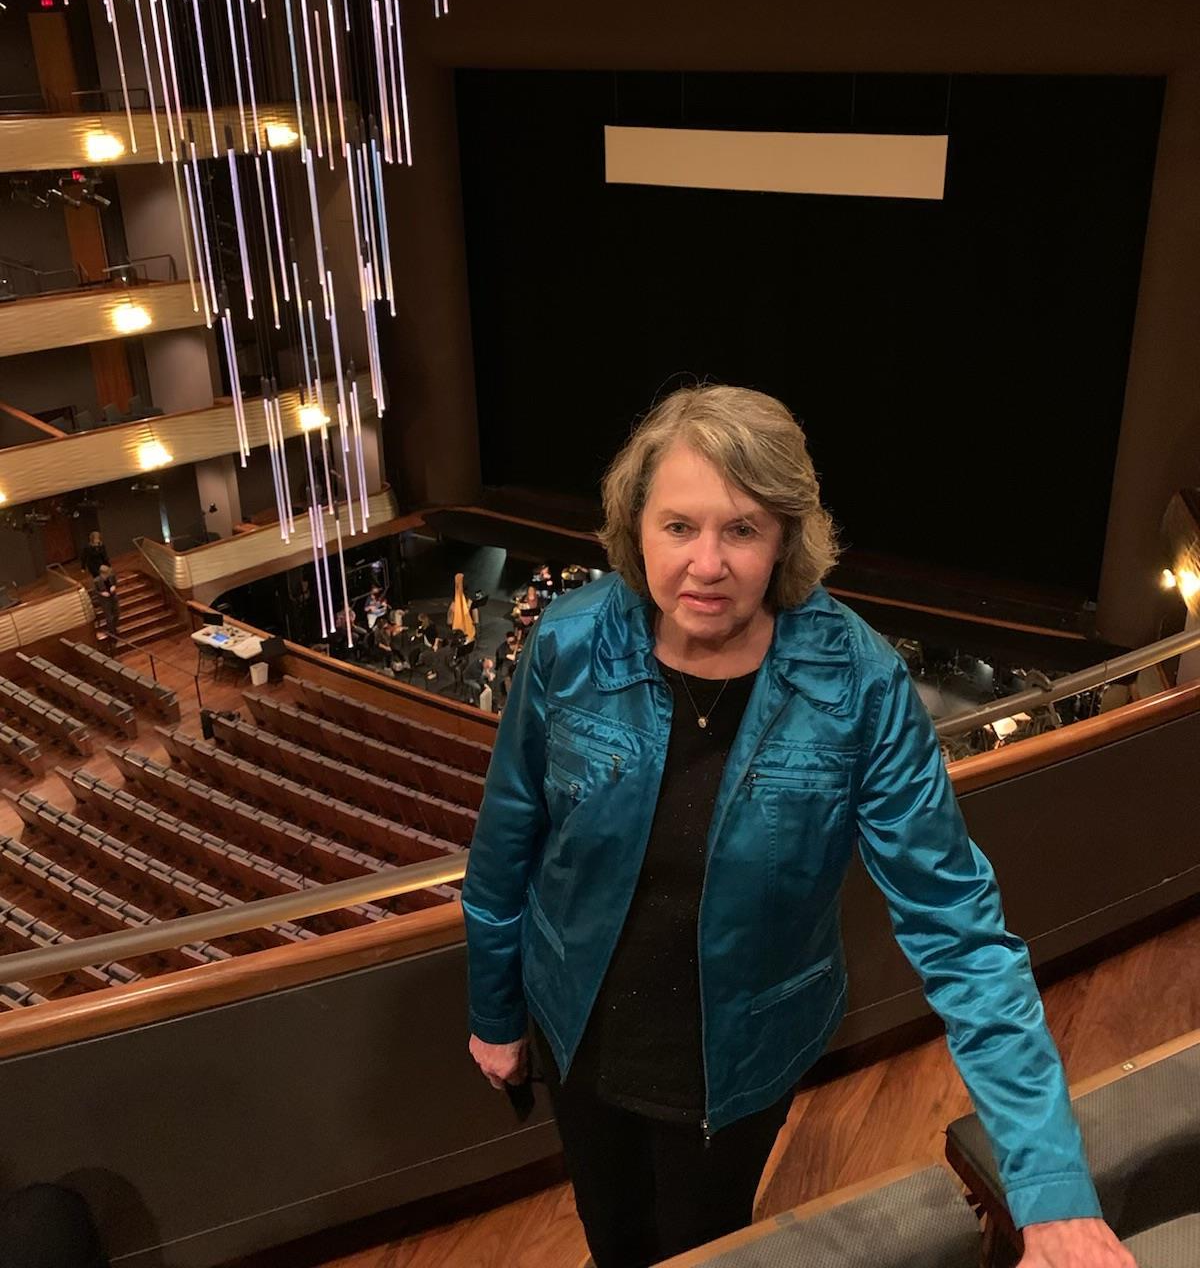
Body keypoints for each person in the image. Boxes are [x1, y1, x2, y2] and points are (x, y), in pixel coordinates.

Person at [462, 385, 1130, 1268]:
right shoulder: (569, 643)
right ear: (636, 526)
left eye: (741, 529)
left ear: (784, 537)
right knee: (612, 1234)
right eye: (678, 527)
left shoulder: (860, 685)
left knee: (703, 1244)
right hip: (575, 1026)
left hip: (741, 1057)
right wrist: (495, 1011)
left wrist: (1051, 1192)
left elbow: (961, 934)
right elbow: (507, 845)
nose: (707, 564)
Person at [93, 564, 120, 644]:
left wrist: (114, 587)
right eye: (106, 574)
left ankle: (114, 628)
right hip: (105, 601)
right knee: (109, 617)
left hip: (113, 597)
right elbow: (95, 591)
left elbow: (115, 582)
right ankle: (112, 634)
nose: (108, 575)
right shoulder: (96, 581)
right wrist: (102, 593)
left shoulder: (111, 576)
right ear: (102, 574)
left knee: (117, 613)